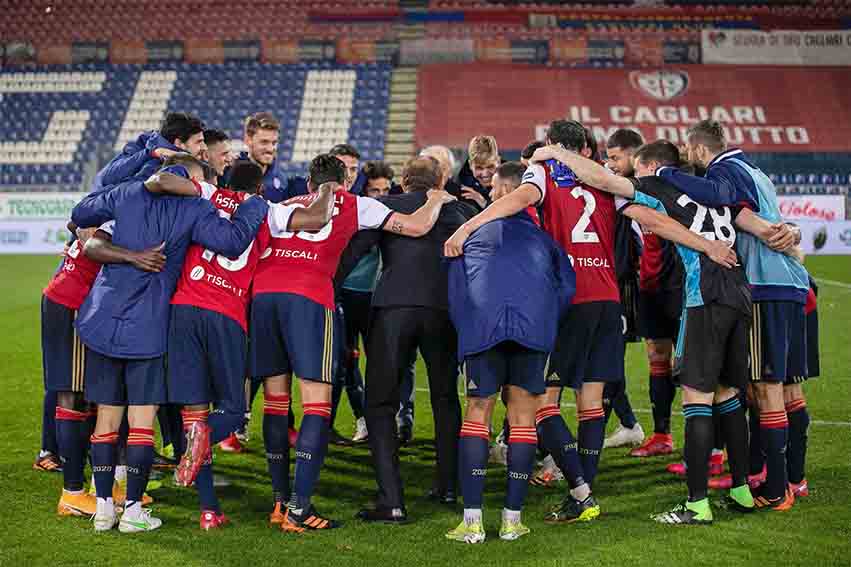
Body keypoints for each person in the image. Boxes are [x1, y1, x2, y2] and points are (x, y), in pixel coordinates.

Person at [446, 119, 737, 523]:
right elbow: (653, 220)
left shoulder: (544, 172)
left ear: (551, 145)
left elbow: (516, 199)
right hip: (608, 301)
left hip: (569, 299)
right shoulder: (604, 180)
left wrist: (468, 225)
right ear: (585, 147)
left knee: (542, 406)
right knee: (591, 404)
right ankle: (585, 494)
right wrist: (707, 244)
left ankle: (580, 492)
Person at [529, 139, 756, 524]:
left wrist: (557, 153)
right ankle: (741, 489)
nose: (631, 174)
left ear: (650, 167)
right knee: (729, 394)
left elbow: (603, 180)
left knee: (696, 399)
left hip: (706, 292)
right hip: (739, 290)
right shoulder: (705, 192)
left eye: (636, 167)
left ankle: (697, 506)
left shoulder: (657, 185)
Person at [249, 154, 456, 532]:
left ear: (309, 184)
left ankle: (278, 502)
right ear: (346, 180)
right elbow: (415, 227)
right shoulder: (357, 204)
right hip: (310, 297)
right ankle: (300, 509)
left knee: (276, 402)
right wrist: (436, 199)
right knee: (316, 404)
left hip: (263, 297)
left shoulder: (278, 206)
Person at [71, 154, 269, 533]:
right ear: (190, 181)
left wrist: (125, 240)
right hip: (148, 325)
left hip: (101, 320)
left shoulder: (125, 193)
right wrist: (254, 206)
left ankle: (102, 509)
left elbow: (80, 214)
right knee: (141, 424)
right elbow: (231, 242)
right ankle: (132, 511)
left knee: (106, 421)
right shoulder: (193, 208)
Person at [158, 160, 335, 530]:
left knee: (194, 412)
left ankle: (209, 510)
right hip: (227, 313)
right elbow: (316, 220)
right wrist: (328, 189)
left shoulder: (208, 195)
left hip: (184, 308)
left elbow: (166, 184)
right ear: (259, 188)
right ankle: (204, 437)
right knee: (232, 412)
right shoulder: (266, 210)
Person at [655, 120, 807, 510]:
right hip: (789, 285)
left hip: (763, 285)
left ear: (701, 150)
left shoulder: (723, 171)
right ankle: (784, 477)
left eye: (690, 154)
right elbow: (771, 222)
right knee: (783, 388)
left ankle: (776, 489)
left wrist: (664, 172)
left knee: (764, 389)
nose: (691, 161)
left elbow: (727, 203)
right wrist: (791, 233)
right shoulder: (757, 172)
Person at [336, 156, 476, 523]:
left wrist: (327, 285)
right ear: (440, 181)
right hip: (443, 311)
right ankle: (447, 487)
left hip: (393, 308)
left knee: (381, 403)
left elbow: (354, 252)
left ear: (403, 180)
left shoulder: (386, 205)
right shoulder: (457, 210)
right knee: (446, 397)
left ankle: (392, 501)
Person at [444, 161, 575, 543]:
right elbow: (566, 290)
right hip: (532, 332)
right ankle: (512, 520)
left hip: (482, 332)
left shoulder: (469, 234)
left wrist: (467, 331)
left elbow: (455, 290)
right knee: (522, 420)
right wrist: (543, 321)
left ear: (500, 191)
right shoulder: (547, 240)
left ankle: (471, 523)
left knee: (478, 414)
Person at [44, 224, 165, 518]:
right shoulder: (121, 209)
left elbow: (79, 221)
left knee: (96, 397)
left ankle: (104, 487)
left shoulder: (118, 209)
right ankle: (72, 493)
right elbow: (83, 229)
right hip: (71, 302)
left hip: (88, 305)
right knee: (72, 396)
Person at [331, 161, 395, 444]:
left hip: (374, 299)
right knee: (344, 363)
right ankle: (354, 421)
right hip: (344, 295)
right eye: (374, 190)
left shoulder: (391, 216)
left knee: (379, 363)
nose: (380, 195)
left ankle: (377, 423)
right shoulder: (355, 215)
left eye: (385, 190)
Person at [456, 135, 500, 210]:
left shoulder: (510, 178)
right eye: (479, 168)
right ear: (470, 165)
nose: (485, 174)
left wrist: (483, 202)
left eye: (490, 167)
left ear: (498, 162)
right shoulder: (462, 184)